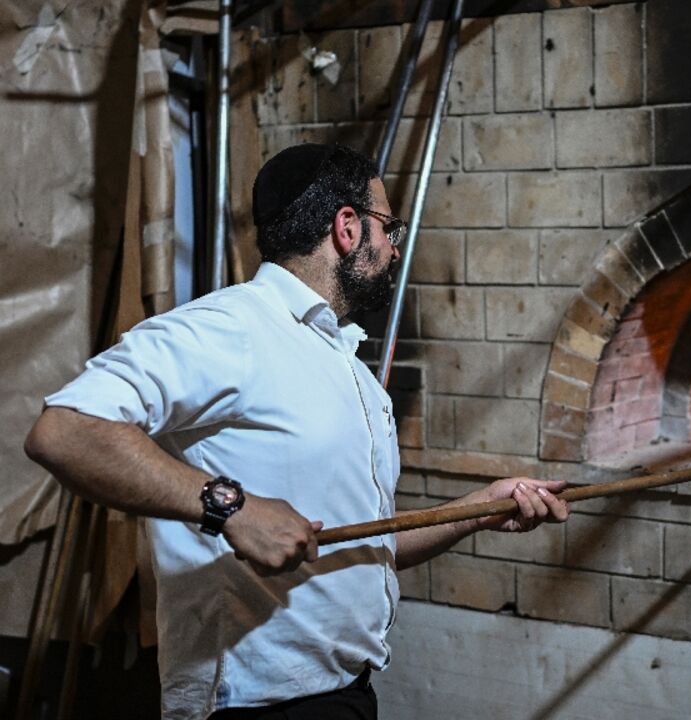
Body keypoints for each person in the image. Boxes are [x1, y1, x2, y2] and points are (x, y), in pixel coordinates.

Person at [24, 143, 570, 720]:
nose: (393, 246)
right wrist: (229, 507)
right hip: (255, 706)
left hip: (344, 693)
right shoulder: (229, 328)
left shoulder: (348, 368)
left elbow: (361, 545)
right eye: (388, 227)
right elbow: (65, 429)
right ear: (347, 227)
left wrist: (477, 511)